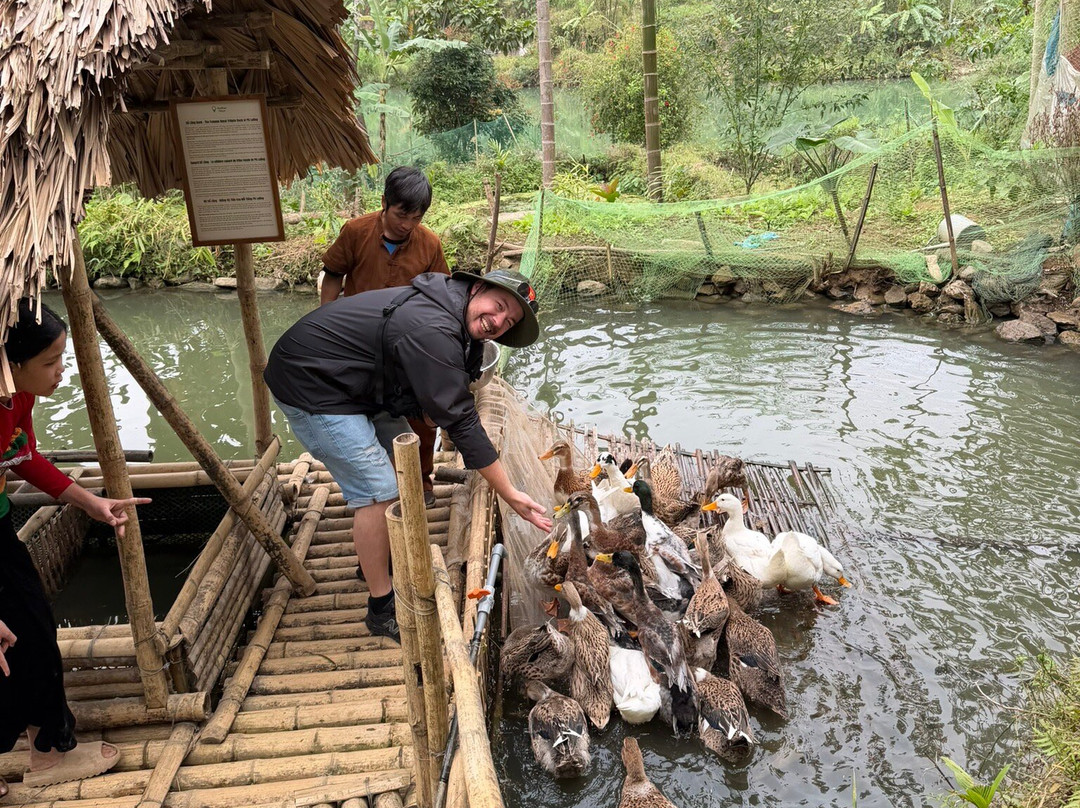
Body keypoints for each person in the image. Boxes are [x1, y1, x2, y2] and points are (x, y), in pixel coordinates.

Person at [265, 269, 553, 642]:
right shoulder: (431, 326)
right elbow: (461, 420)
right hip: (312, 385)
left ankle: (374, 555)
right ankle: (380, 606)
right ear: (478, 287)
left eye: (508, 321)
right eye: (498, 307)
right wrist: (509, 492)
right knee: (379, 489)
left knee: (407, 456)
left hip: (358, 383)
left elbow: (450, 394)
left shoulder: (458, 317)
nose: (497, 322)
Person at [0, 299, 151, 794]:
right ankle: (44, 751)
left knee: (32, 632)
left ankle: (45, 748)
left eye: (62, 358)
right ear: (12, 363)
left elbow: (24, 457)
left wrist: (91, 503)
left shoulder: (16, 397)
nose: (61, 373)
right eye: (50, 362)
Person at [320, 166, 450, 506]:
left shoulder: (429, 244)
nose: (406, 224)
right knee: (365, 410)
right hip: (357, 342)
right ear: (384, 204)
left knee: (421, 414)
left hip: (408, 344)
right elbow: (333, 275)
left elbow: (441, 295)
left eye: (416, 217)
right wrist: (326, 317)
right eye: (401, 214)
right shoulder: (355, 232)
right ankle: (380, 482)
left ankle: (421, 480)